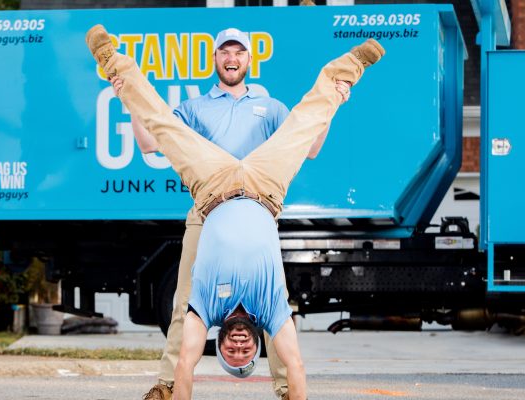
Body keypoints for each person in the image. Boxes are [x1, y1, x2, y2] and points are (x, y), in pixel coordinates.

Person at [86, 24, 384, 400]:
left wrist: (334, 105)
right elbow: (152, 141)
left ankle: (347, 69)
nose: (232, 58)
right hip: (211, 201)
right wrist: (128, 101)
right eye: (225, 52)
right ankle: (166, 386)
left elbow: (307, 146)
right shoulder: (195, 107)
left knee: (305, 118)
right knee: (186, 301)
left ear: (248, 59)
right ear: (215, 59)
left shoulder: (270, 106)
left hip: (259, 196)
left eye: (238, 52)